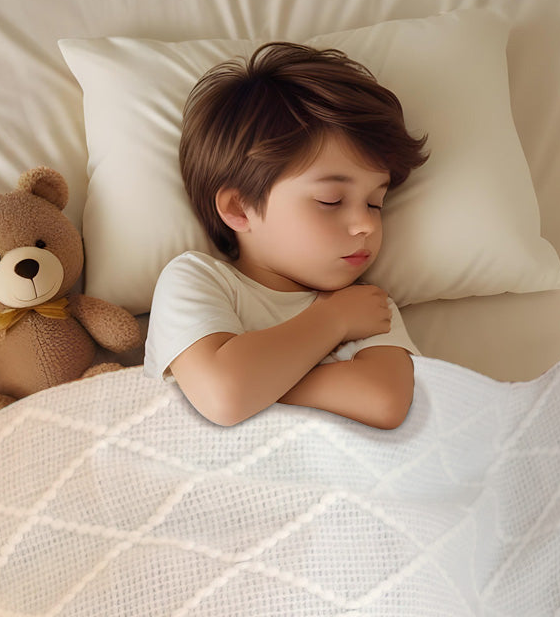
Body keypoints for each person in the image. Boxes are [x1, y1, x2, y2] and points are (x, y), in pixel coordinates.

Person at [144, 41, 428, 429]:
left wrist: (258, 382)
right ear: (239, 208)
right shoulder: (197, 279)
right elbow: (224, 394)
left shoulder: (366, 304)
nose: (365, 224)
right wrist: (334, 322)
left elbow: (384, 401)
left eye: (375, 203)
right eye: (331, 200)